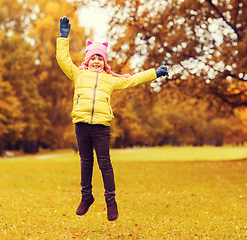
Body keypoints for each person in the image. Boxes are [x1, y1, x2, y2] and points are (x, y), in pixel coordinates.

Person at [56, 16, 169, 221]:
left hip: (101, 128)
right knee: (85, 162)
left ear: (104, 61)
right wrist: (63, 37)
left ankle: (110, 200)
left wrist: (155, 73)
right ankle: (86, 196)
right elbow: (63, 59)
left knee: (105, 163)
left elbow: (133, 79)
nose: (97, 61)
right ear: (87, 60)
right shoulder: (78, 75)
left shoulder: (111, 80)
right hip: (81, 124)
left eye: (100, 58)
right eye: (93, 58)